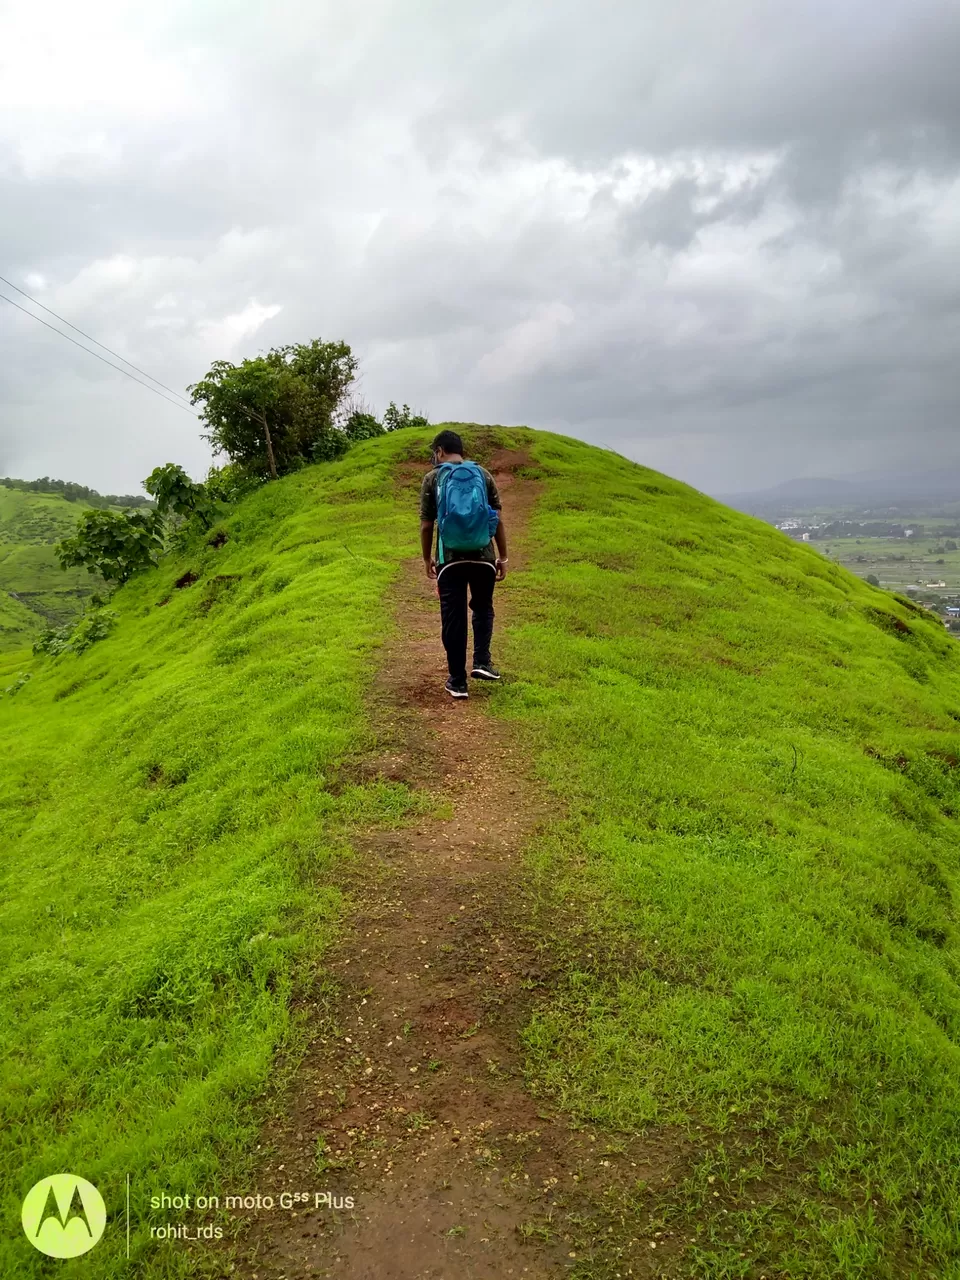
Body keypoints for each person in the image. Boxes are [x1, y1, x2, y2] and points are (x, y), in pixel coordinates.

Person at [419, 429, 509, 699]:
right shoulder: (483, 475)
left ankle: (457, 681)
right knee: (483, 607)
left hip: (450, 560)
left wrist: (427, 559)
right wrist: (502, 557)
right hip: (484, 557)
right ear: (461, 450)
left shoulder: (433, 478)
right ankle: (482, 661)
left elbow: (426, 525)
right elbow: (498, 519)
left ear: (439, 452)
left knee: (453, 617)